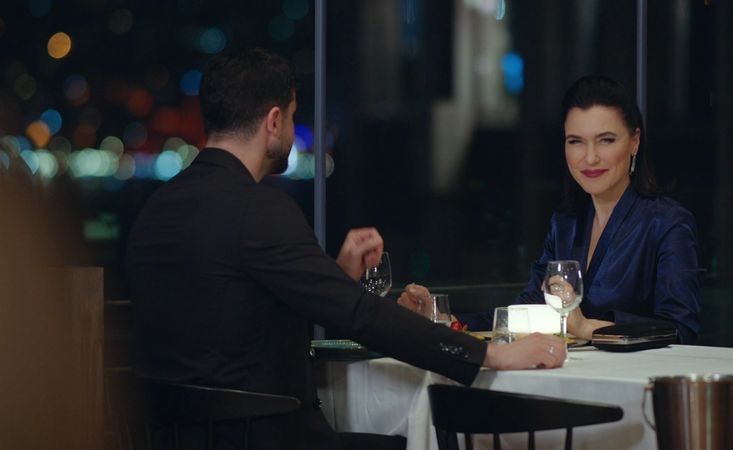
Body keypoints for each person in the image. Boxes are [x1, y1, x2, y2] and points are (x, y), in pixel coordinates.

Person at [126, 47, 566, 450]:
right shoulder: (259, 210)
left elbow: (232, 317)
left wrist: (333, 276)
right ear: (274, 121)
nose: (292, 127)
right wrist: (489, 354)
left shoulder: (155, 210)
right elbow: (360, 315)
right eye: (293, 116)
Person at [400, 76, 701, 344]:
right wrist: (444, 321)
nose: (590, 158)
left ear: (634, 141)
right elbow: (528, 309)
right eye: (576, 141)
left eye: (606, 140)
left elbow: (680, 331)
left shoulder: (667, 223)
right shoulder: (567, 223)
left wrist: (586, 327)